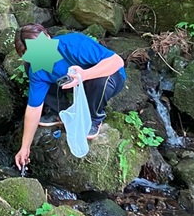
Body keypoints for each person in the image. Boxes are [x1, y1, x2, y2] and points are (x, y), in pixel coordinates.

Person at [13, 23, 125, 173]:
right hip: (72, 82)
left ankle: (94, 118)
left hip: (106, 75)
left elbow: (117, 62)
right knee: (37, 72)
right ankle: (59, 111)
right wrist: (25, 147)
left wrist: (84, 75)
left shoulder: (74, 45)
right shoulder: (36, 66)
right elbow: (34, 107)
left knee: (100, 81)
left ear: (48, 37)